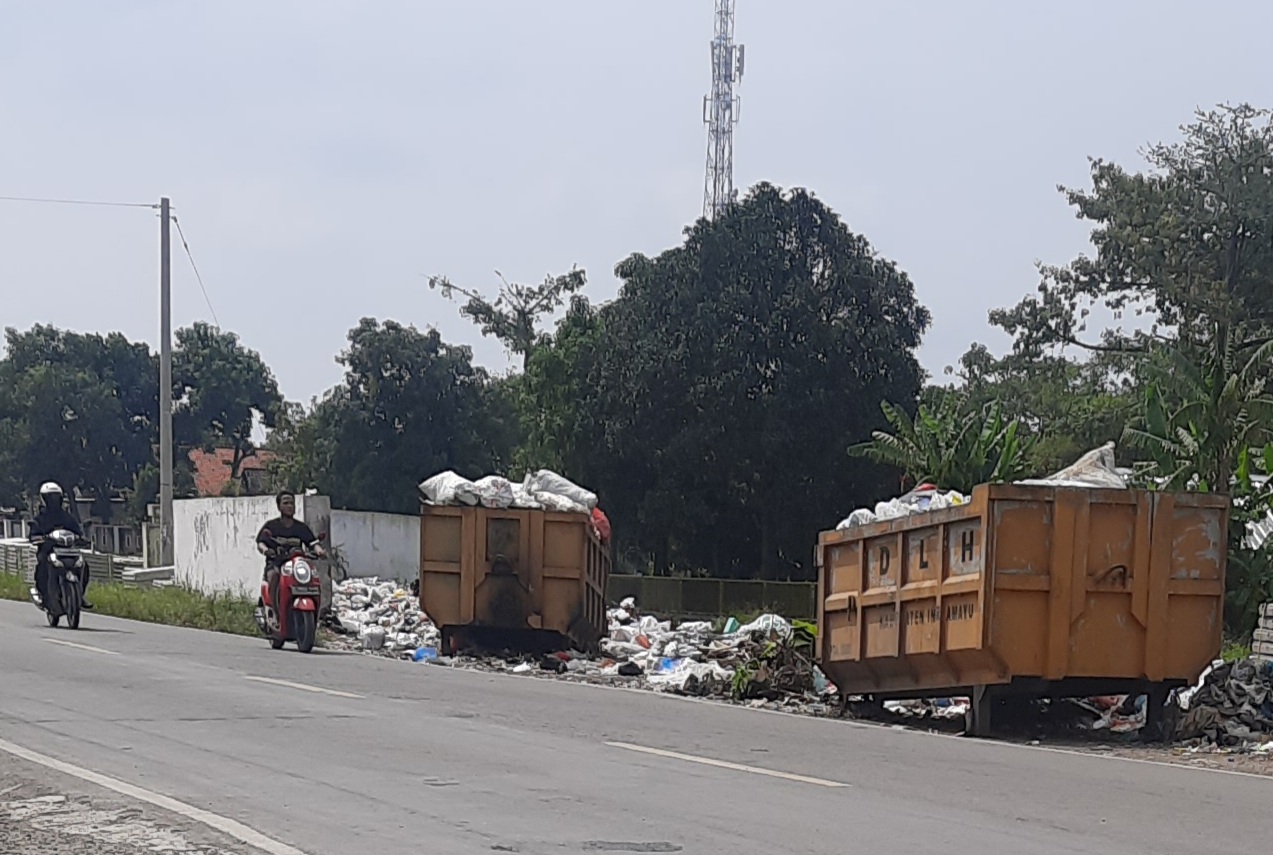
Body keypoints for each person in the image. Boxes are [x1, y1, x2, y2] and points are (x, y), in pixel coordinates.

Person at [256, 491, 324, 629]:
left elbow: (312, 543)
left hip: (296, 565)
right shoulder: (272, 526)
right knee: (274, 576)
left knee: (313, 578)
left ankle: (316, 617)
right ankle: (276, 613)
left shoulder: (301, 528)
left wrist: (320, 551)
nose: (289, 506)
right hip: (276, 564)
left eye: (291, 503)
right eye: (285, 503)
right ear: (279, 507)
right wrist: (265, 550)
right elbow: (261, 542)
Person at [29, 482, 93, 610]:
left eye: (56, 497)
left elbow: (77, 531)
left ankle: (80, 595)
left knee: (84, 566)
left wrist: (82, 538)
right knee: (42, 565)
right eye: (50, 497)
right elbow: (33, 533)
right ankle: (42, 594)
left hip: (68, 551)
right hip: (48, 551)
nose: (53, 501)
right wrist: (37, 538)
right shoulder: (40, 518)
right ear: (44, 499)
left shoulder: (67, 517)